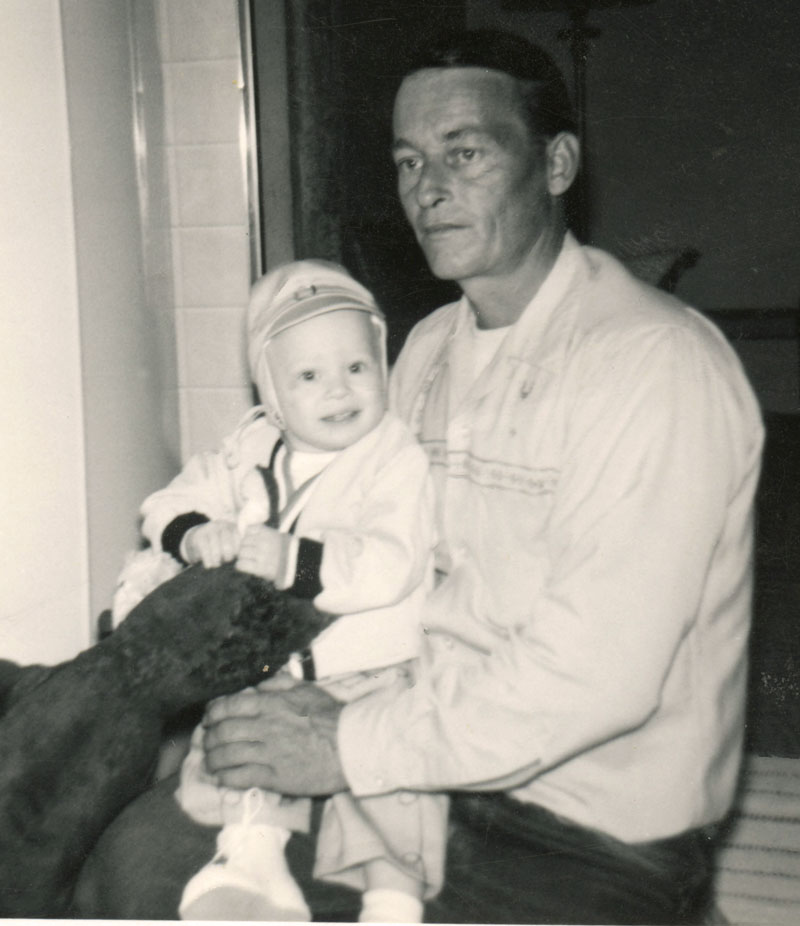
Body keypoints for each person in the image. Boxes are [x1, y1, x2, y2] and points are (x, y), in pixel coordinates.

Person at [74, 29, 764, 925]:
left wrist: (344, 743)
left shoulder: (654, 365)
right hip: (419, 764)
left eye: (465, 152)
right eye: (408, 161)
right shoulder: (428, 348)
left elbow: (597, 676)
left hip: (585, 830)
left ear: (556, 164)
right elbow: (355, 537)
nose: (427, 189)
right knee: (132, 866)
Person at [112, 259, 443, 923]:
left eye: (358, 366)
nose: (340, 391)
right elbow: (167, 501)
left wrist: (296, 559)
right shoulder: (250, 446)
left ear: (383, 362)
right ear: (272, 392)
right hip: (279, 664)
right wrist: (194, 531)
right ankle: (251, 864)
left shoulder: (394, 457)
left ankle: (392, 898)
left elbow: (392, 562)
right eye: (310, 376)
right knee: (241, 735)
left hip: (372, 662)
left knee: (386, 785)